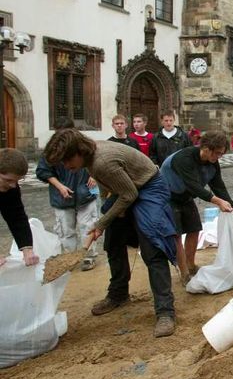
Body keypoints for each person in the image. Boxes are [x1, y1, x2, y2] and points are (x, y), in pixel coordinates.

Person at [43, 129, 178, 338]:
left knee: (153, 244)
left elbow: (130, 194)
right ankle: (118, 294)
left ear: (79, 151)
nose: (66, 167)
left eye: (67, 160)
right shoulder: (89, 157)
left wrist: (101, 222)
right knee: (113, 240)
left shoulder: (102, 162)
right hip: (126, 188)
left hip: (150, 186)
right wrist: (109, 219)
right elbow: (122, 191)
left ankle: (165, 311)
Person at [160, 132, 233, 284]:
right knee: (176, 235)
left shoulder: (213, 162)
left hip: (186, 196)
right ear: (206, 149)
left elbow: (218, 185)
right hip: (168, 197)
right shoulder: (184, 159)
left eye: (221, 154)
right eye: (217, 153)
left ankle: (191, 264)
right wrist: (218, 202)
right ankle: (184, 273)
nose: (219, 157)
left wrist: (232, 205)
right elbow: (193, 185)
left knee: (194, 229)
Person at [36, 117, 99, 271]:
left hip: (86, 194)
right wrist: (59, 186)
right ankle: (70, 257)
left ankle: (88, 256)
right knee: (65, 230)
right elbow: (43, 171)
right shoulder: (52, 149)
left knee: (88, 226)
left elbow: (97, 161)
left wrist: (94, 175)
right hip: (62, 197)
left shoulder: (85, 146)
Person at [99, 114, 140, 316]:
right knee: (113, 247)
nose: (119, 126)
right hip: (116, 200)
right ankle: (118, 293)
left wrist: (101, 222)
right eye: (116, 123)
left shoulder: (132, 143)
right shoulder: (105, 147)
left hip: (138, 199)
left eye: (122, 122)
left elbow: (133, 185)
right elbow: (105, 187)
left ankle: (164, 302)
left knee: (152, 248)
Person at [0, 149, 39, 268]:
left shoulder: (11, 188)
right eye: (8, 180)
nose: (12, 185)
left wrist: (27, 249)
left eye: (17, 181)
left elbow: (17, 217)